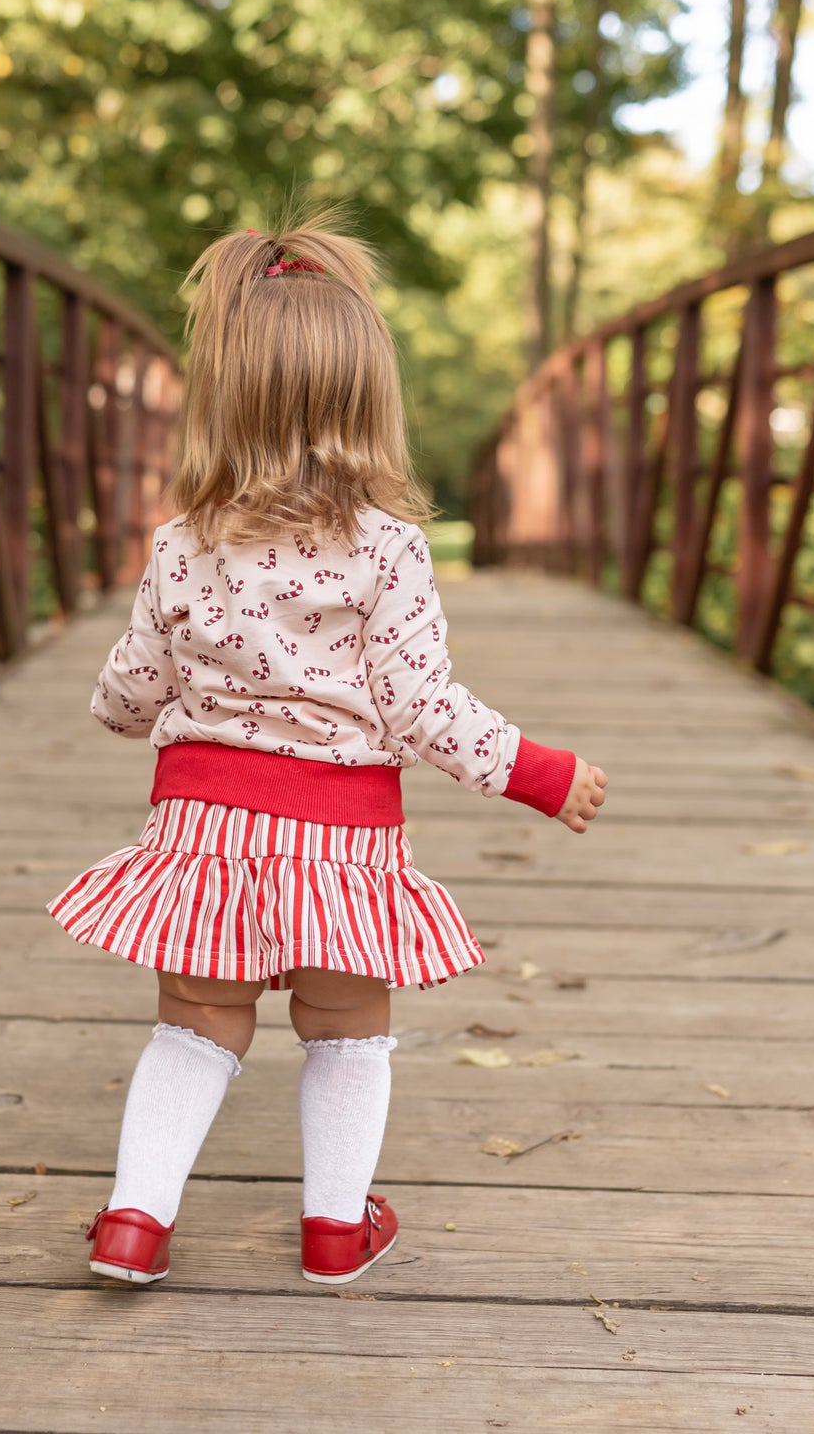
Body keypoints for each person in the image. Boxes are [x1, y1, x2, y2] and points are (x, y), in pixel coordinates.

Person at [46, 208, 607, 1288]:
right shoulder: (389, 549)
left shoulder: (182, 544)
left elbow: (135, 686)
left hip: (202, 834)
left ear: (220, 395)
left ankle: (135, 1224)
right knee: (347, 1028)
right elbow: (421, 703)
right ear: (370, 396)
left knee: (197, 1027)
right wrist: (541, 772)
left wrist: (115, 711)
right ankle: (334, 1231)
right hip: (341, 846)